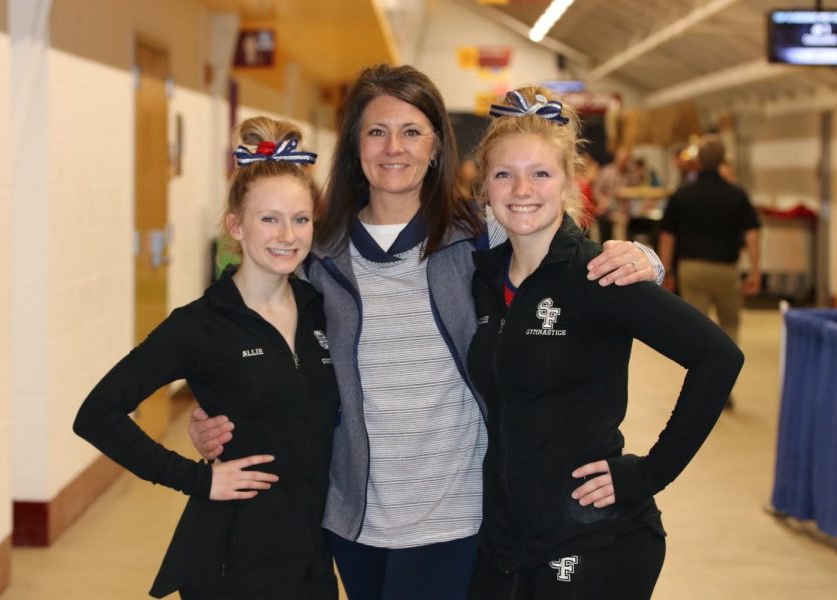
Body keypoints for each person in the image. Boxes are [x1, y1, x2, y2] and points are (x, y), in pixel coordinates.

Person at [189, 64, 663, 600]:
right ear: (355, 147)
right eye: (376, 131)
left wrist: (645, 259)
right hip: (352, 515)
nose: (395, 147)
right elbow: (251, 341)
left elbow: (562, 251)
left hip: (457, 510)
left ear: (437, 146)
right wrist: (212, 410)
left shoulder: (481, 232)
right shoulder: (314, 251)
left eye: (412, 131)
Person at [465, 87, 744, 600]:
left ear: (571, 182)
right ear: (485, 185)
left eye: (541, 173)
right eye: (504, 173)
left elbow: (718, 357)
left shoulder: (596, 274)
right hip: (507, 538)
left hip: (590, 539)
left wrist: (648, 474)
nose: (521, 188)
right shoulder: (483, 277)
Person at [73, 117, 340, 600]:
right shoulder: (201, 324)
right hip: (233, 563)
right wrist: (197, 479)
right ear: (236, 226)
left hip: (311, 560)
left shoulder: (321, 309)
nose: (287, 234)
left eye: (300, 219)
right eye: (269, 218)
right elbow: (96, 413)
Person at [658, 135, 761, 406]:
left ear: (698, 161)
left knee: (697, 330)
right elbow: (752, 234)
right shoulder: (737, 194)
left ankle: (700, 390)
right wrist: (755, 271)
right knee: (729, 325)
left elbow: (668, 236)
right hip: (726, 270)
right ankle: (724, 386)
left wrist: (665, 270)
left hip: (692, 269)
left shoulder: (683, 194)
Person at [592, 146, 638, 242]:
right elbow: (596, 191)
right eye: (622, 160)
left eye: (626, 160)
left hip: (624, 212)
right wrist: (603, 200)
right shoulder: (607, 172)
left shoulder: (630, 173)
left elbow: (636, 188)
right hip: (608, 210)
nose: (623, 163)